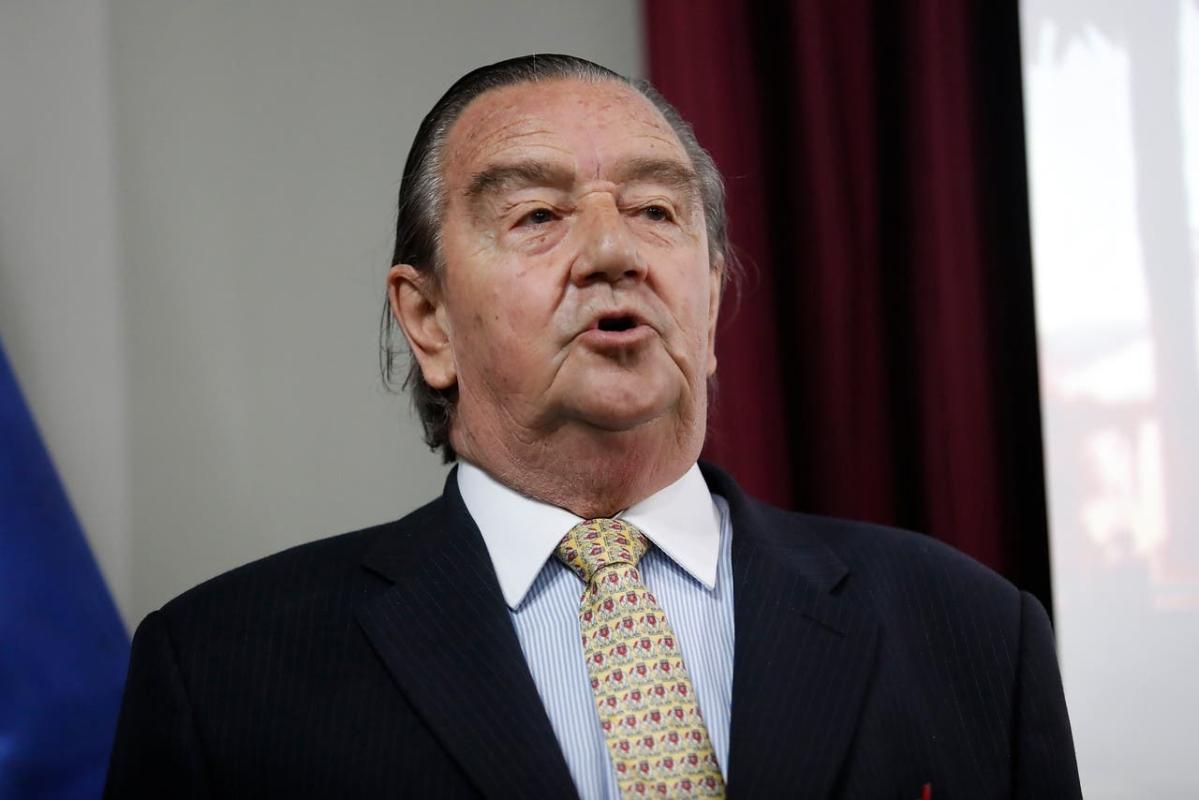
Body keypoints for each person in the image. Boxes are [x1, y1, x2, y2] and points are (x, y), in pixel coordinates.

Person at [104, 54, 1082, 799]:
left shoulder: (971, 631)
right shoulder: (223, 670)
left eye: (655, 210)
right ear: (427, 320)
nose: (613, 250)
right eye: (537, 215)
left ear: (710, 301)